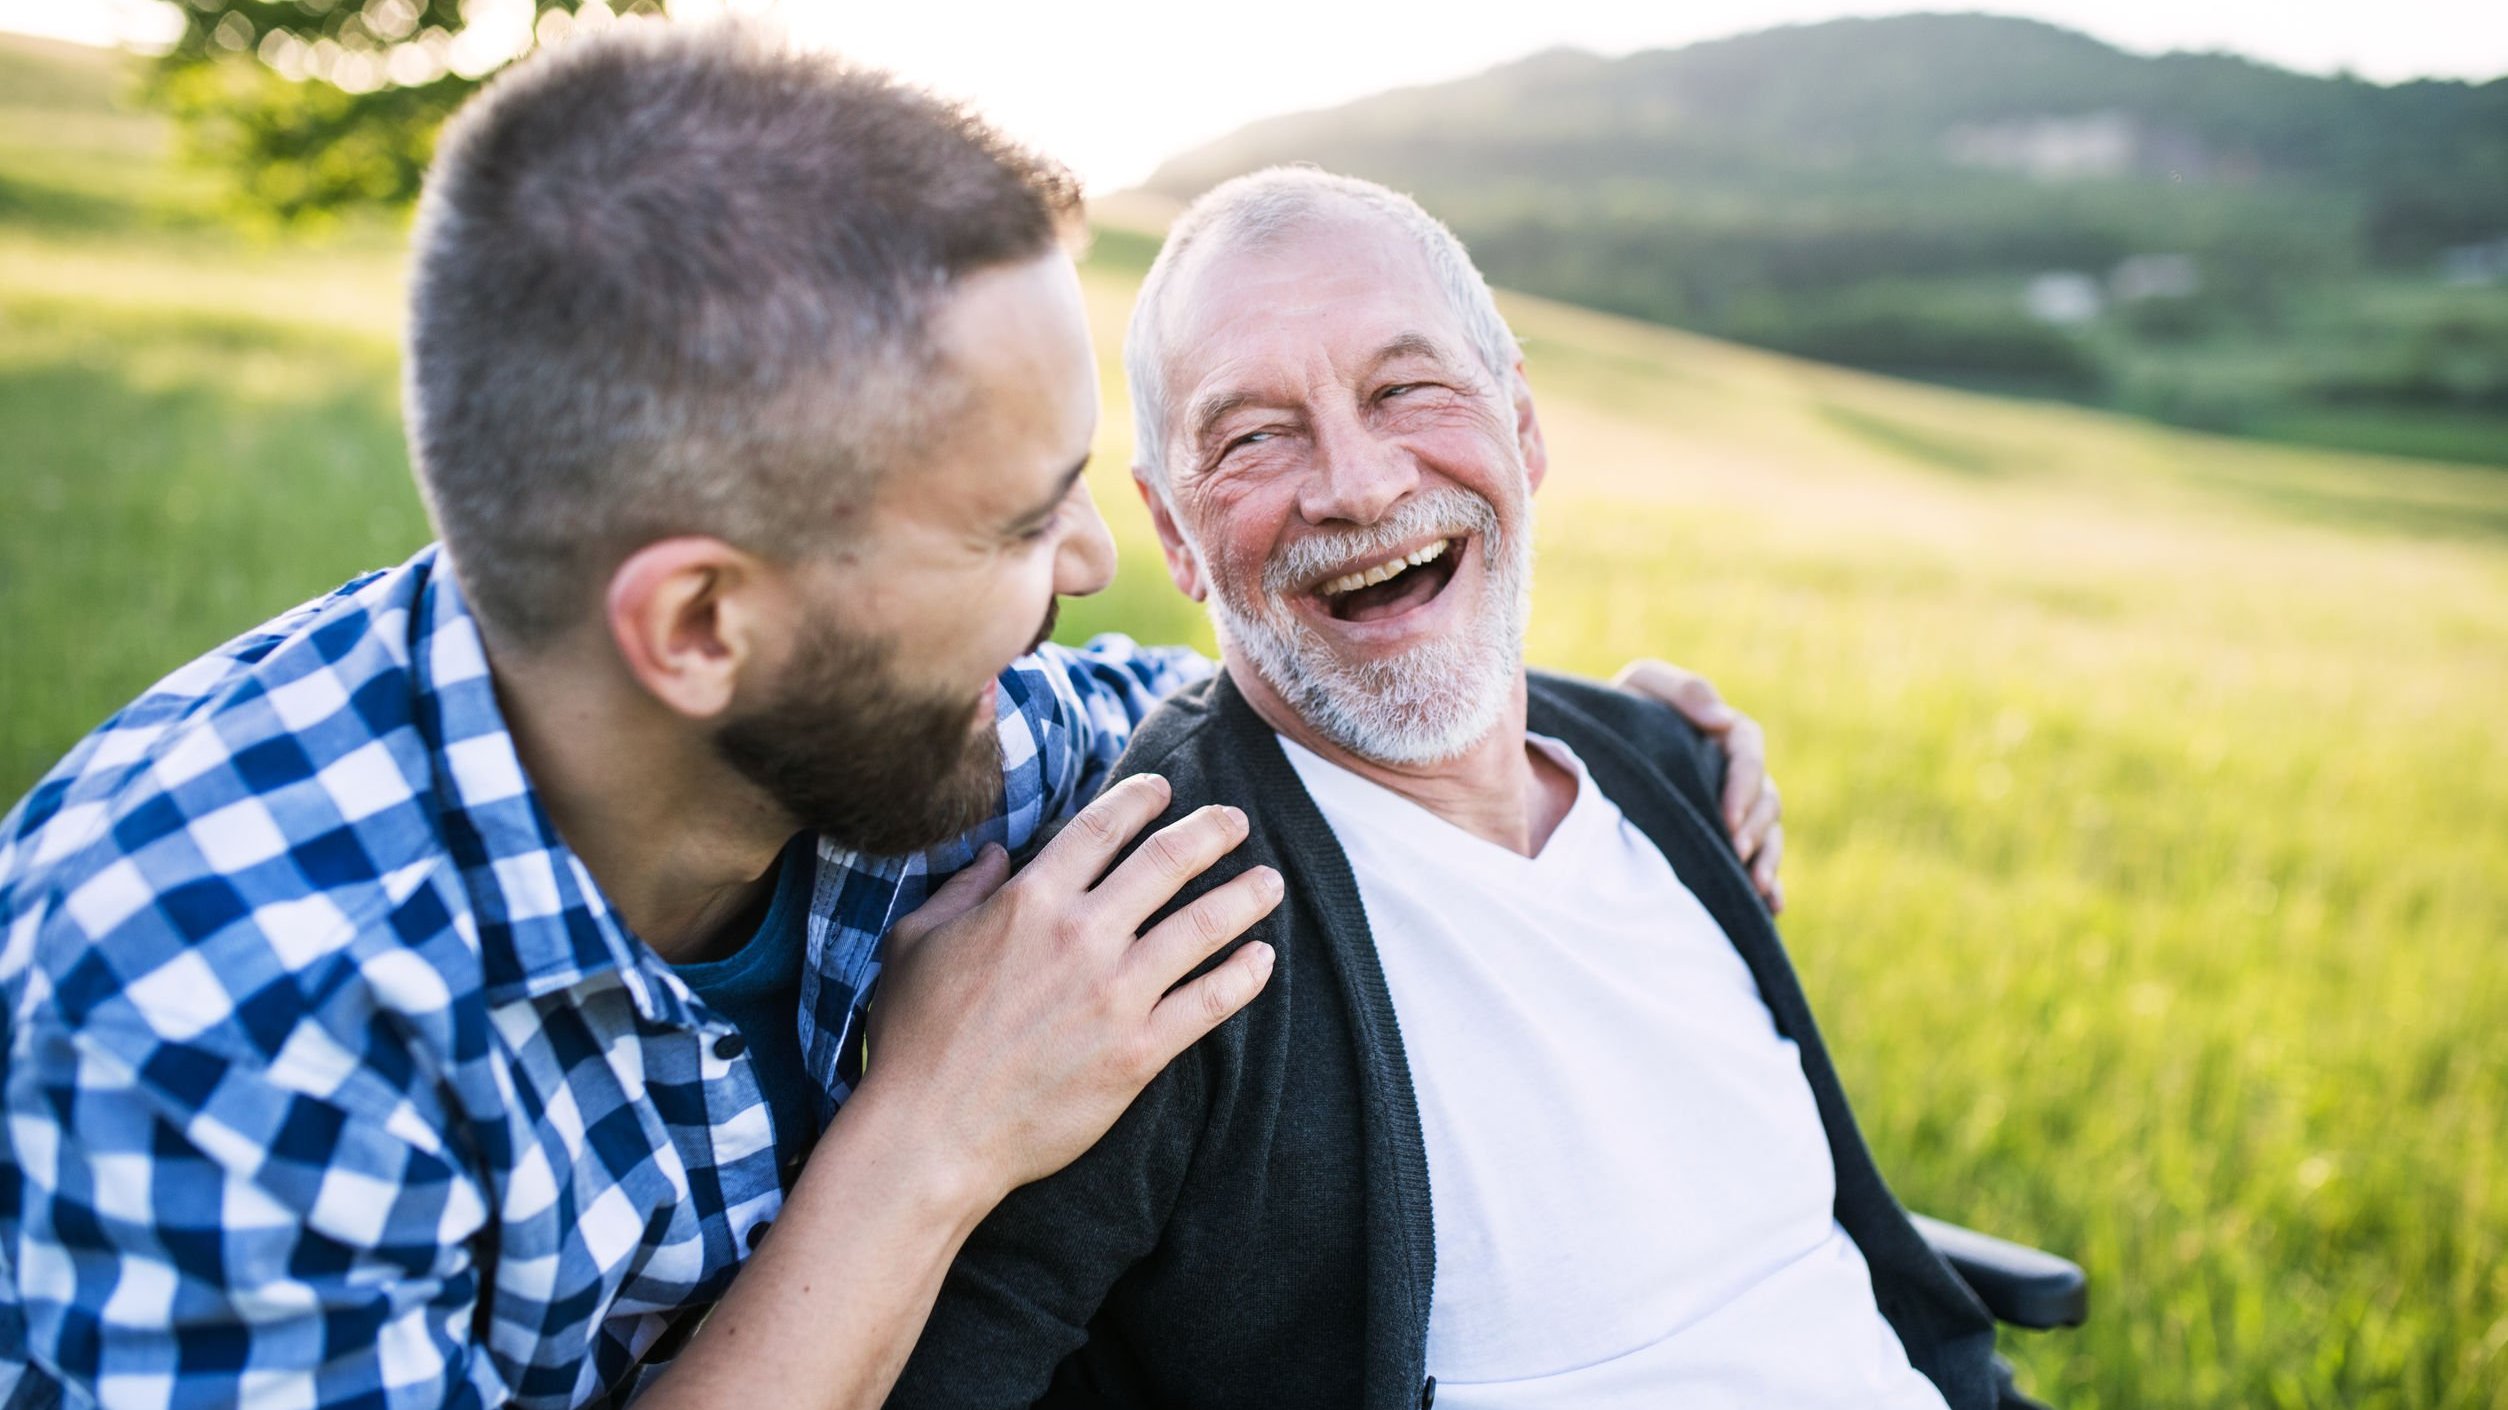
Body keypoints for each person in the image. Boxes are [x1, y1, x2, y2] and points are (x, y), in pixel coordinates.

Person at [0, 24, 1783, 1410]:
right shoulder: (207, 998)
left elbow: (1250, 694)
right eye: (1017, 523)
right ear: (701, 625)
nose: (1093, 564)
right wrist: (930, 1139)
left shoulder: (953, 744)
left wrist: (1610, 743)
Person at [886, 167, 2035, 1410]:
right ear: (1173, 538)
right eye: (1255, 436)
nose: (1362, 485)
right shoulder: (1156, 932)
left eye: (1407, 389)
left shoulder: (1670, 768)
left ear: (1523, 429)